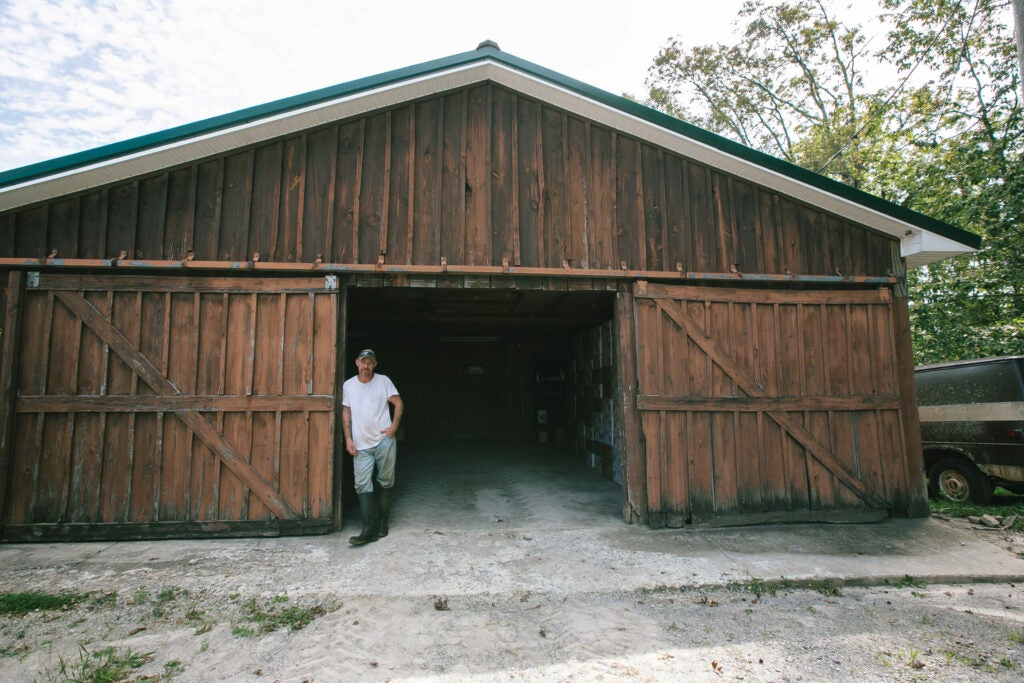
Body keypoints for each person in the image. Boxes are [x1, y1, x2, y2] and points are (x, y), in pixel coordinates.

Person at [341, 348, 403, 546]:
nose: (366, 366)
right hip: (360, 444)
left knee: (385, 481)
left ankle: (383, 523)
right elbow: (346, 413)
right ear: (357, 363)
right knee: (361, 484)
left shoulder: (383, 381)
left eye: (370, 362)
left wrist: (393, 427)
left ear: (374, 365)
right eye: (363, 362)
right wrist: (348, 439)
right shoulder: (349, 385)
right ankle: (368, 529)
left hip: (383, 441)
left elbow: (398, 403)